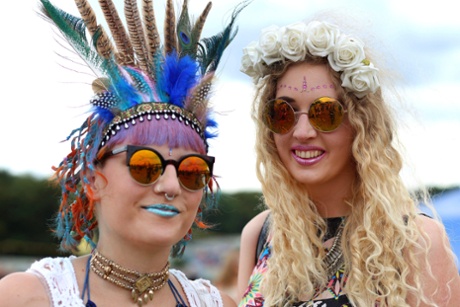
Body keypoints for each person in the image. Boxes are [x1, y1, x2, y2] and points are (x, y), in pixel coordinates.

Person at [0, 0, 249, 306]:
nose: (171, 186)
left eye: (192, 171)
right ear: (93, 178)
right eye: (145, 165)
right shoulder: (27, 297)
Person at [237, 16, 460, 307]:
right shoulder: (260, 234)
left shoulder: (416, 241)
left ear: (361, 124)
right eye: (283, 113)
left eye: (325, 113)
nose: (302, 132)